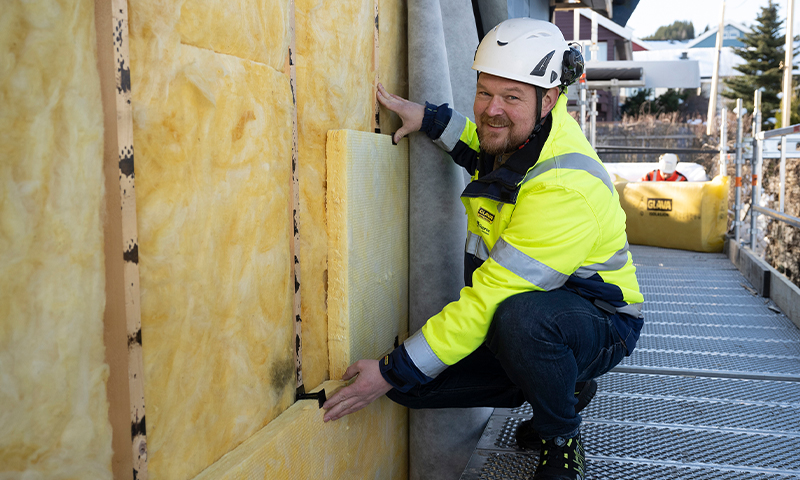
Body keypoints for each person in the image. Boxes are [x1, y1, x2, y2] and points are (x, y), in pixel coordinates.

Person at [322, 17, 643, 480]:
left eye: (511, 97)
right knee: (414, 388)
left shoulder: (564, 186)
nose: (492, 109)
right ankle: (561, 384)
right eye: (484, 92)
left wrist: (391, 369)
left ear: (549, 99)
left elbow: (491, 300)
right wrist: (430, 119)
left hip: (599, 318)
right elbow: (482, 146)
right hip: (522, 309)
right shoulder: (523, 135)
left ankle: (560, 435)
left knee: (519, 323)